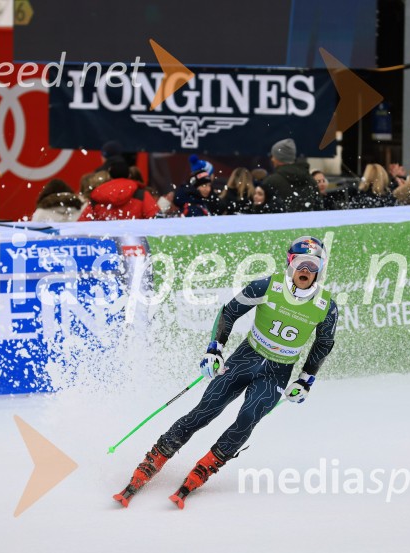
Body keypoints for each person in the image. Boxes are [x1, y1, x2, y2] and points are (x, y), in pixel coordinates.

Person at [114, 237, 339, 509]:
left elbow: (324, 343)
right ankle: (152, 461)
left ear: (320, 270)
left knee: (247, 418)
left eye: (313, 265)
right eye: (301, 263)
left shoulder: (326, 306)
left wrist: (306, 379)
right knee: (204, 412)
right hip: (246, 358)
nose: (307, 270)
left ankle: (204, 469)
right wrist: (215, 349)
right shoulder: (267, 285)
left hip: (277, 372)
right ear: (290, 264)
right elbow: (229, 312)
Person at [79, 160, 159, 221]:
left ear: (110, 176)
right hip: (135, 242)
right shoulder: (142, 195)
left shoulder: (96, 197)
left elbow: (82, 224)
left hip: (107, 242)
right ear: (129, 175)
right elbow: (156, 219)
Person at [261, 138, 319, 212]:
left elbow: (262, 211)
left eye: (274, 156)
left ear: (279, 158)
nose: (272, 159)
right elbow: (319, 208)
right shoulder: (310, 180)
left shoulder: (271, 181)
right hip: (308, 222)